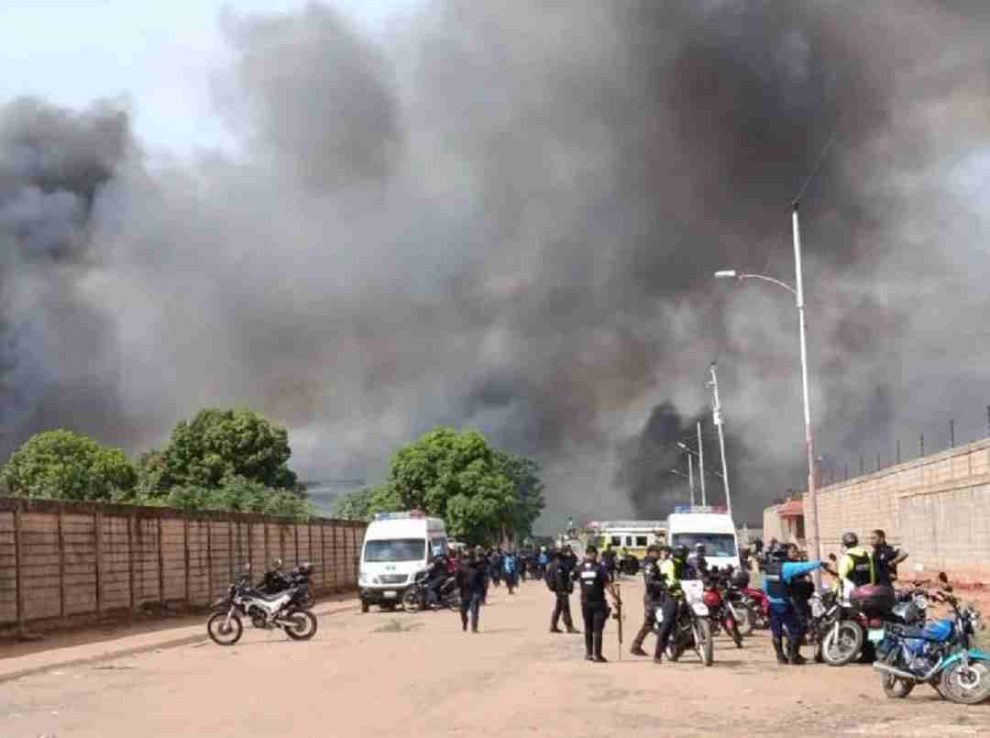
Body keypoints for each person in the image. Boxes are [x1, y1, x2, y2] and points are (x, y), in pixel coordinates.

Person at [763, 544, 824, 664]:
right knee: (798, 629)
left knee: (776, 633)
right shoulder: (786, 567)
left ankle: (780, 657)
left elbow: (765, 587)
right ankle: (794, 656)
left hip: (772, 604)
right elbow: (803, 566)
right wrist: (820, 563)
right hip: (785, 604)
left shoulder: (768, 568)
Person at [629, 544, 676, 663]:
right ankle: (638, 645)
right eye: (657, 552)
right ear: (651, 552)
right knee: (651, 622)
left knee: (653, 622)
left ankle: (639, 645)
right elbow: (649, 582)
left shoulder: (656, 563)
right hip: (652, 597)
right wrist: (663, 585)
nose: (659, 554)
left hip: (659, 596)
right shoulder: (649, 564)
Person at [575, 545, 619, 662]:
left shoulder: (580, 568)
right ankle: (597, 655)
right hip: (598, 602)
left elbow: (573, 577)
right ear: (594, 554)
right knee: (597, 629)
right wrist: (615, 598)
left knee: (588, 628)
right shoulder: (600, 568)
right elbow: (607, 584)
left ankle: (589, 653)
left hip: (585, 602)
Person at [836, 532, 875, 602]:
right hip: (867, 592)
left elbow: (840, 578)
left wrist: (836, 593)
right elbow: (872, 573)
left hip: (852, 595)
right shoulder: (867, 555)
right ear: (857, 542)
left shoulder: (846, 558)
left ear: (845, 544)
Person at [547, 550, 580, 634]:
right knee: (566, 608)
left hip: (559, 589)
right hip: (561, 590)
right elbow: (559, 579)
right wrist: (563, 590)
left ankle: (553, 625)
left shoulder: (554, 563)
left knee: (559, 607)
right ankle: (569, 626)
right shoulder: (559, 565)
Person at [456, 551, 486, 633]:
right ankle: (465, 622)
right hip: (465, 592)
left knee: (474, 610)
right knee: (463, 611)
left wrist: (482, 594)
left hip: (475, 592)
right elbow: (457, 581)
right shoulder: (461, 569)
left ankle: (474, 628)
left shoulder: (478, 570)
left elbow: (482, 582)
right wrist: (458, 591)